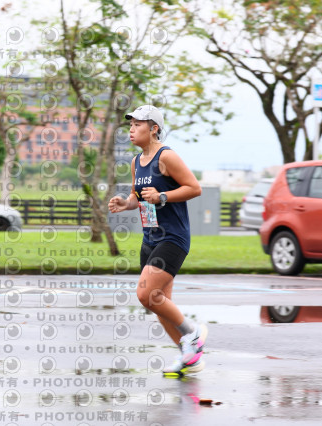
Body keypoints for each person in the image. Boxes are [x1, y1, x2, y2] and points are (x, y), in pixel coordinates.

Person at [108, 105, 207, 375]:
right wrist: (125, 203)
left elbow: (194, 188)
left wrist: (163, 196)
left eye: (137, 125)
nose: (131, 129)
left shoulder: (167, 156)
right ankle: (189, 357)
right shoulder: (136, 161)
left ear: (154, 129)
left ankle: (192, 333)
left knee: (147, 295)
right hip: (150, 237)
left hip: (173, 237)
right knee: (161, 305)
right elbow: (137, 196)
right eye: (130, 125)